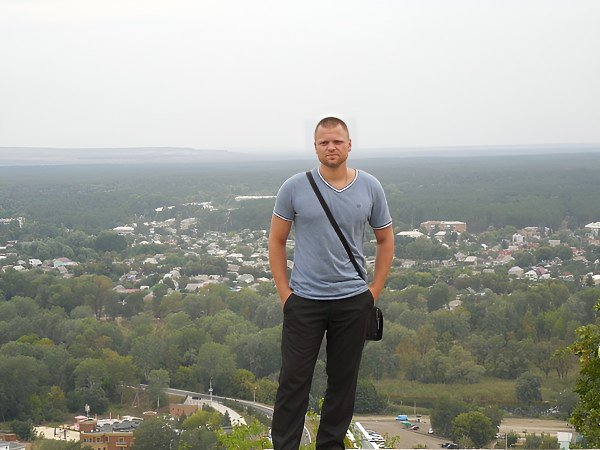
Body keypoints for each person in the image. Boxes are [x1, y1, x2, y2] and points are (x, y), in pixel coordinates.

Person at [269, 117, 394, 449]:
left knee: (342, 384)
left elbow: (385, 239)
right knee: (293, 381)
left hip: (352, 300)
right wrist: (285, 294)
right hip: (304, 301)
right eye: (324, 142)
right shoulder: (294, 187)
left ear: (349, 145)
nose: (331, 147)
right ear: (315, 147)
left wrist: (373, 292)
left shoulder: (370, 187)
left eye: (337, 141)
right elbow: (276, 241)